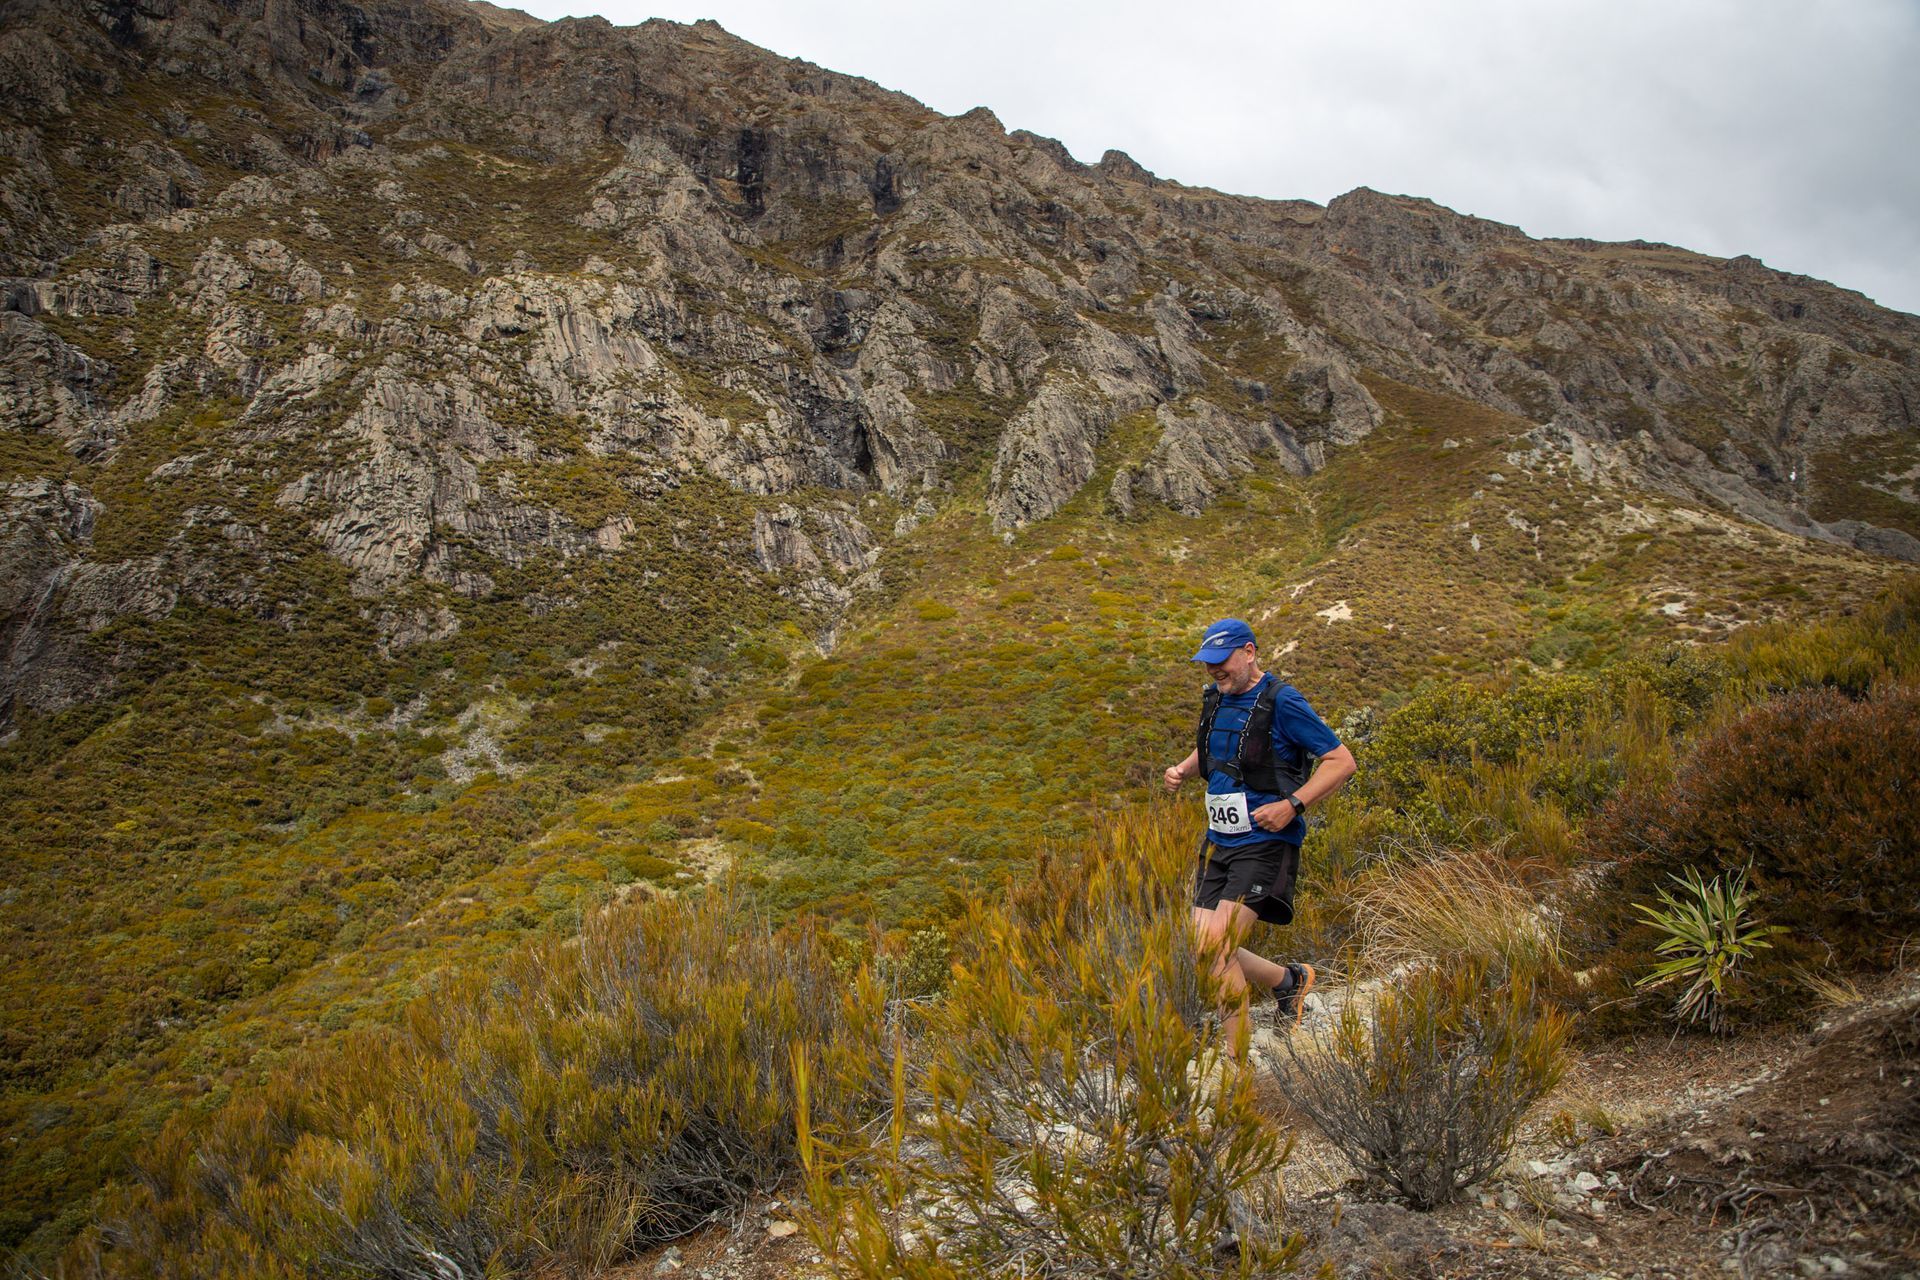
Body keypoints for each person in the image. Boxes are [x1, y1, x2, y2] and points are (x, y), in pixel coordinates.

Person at [1163, 617, 1356, 1053]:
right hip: (1219, 840)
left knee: (1217, 947)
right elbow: (1214, 746)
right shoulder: (1217, 698)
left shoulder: (1282, 702)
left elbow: (1341, 761)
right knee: (1202, 946)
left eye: (1221, 660)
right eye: (1207, 663)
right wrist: (1182, 770)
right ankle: (1290, 982)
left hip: (1265, 842)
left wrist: (1293, 805)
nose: (1214, 670)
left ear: (1249, 652)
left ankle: (1238, 1066)